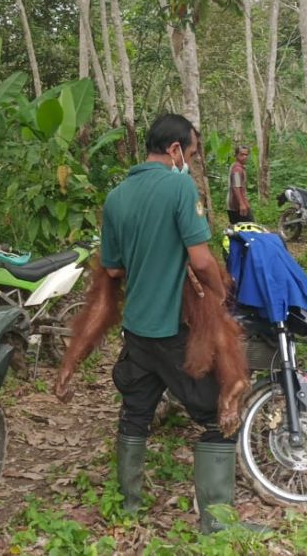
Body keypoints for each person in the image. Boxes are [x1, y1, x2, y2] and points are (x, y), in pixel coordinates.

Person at [100, 114, 248, 534]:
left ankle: (128, 507)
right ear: (175, 150)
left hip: (136, 329)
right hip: (170, 328)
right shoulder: (179, 187)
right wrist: (221, 292)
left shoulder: (116, 196)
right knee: (218, 413)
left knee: (135, 413)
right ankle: (218, 523)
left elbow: (112, 270)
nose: (192, 163)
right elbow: (200, 259)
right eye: (193, 154)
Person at [226, 145, 253, 223]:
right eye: (242, 154)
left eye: (246, 155)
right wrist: (242, 204)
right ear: (236, 155)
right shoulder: (237, 169)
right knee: (248, 226)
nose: (244, 157)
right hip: (236, 206)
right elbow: (236, 187)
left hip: (237, 205)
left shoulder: (238, 167)